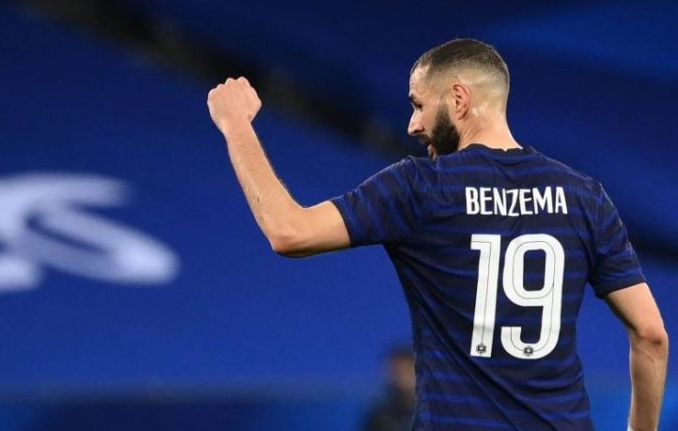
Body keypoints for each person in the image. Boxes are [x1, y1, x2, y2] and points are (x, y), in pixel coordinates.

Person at [206, 38, 668, 430]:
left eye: (418, 104)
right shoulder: (584, 196)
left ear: (459, 99)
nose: (412, 124)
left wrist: (236, 125)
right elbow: (651, 335)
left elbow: (288, 231)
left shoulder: (422, 187)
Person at [364, 345, 417, 431]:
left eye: (406, 371)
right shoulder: (381, 416)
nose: (400, 376)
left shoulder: (433, 408)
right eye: (395, 371)